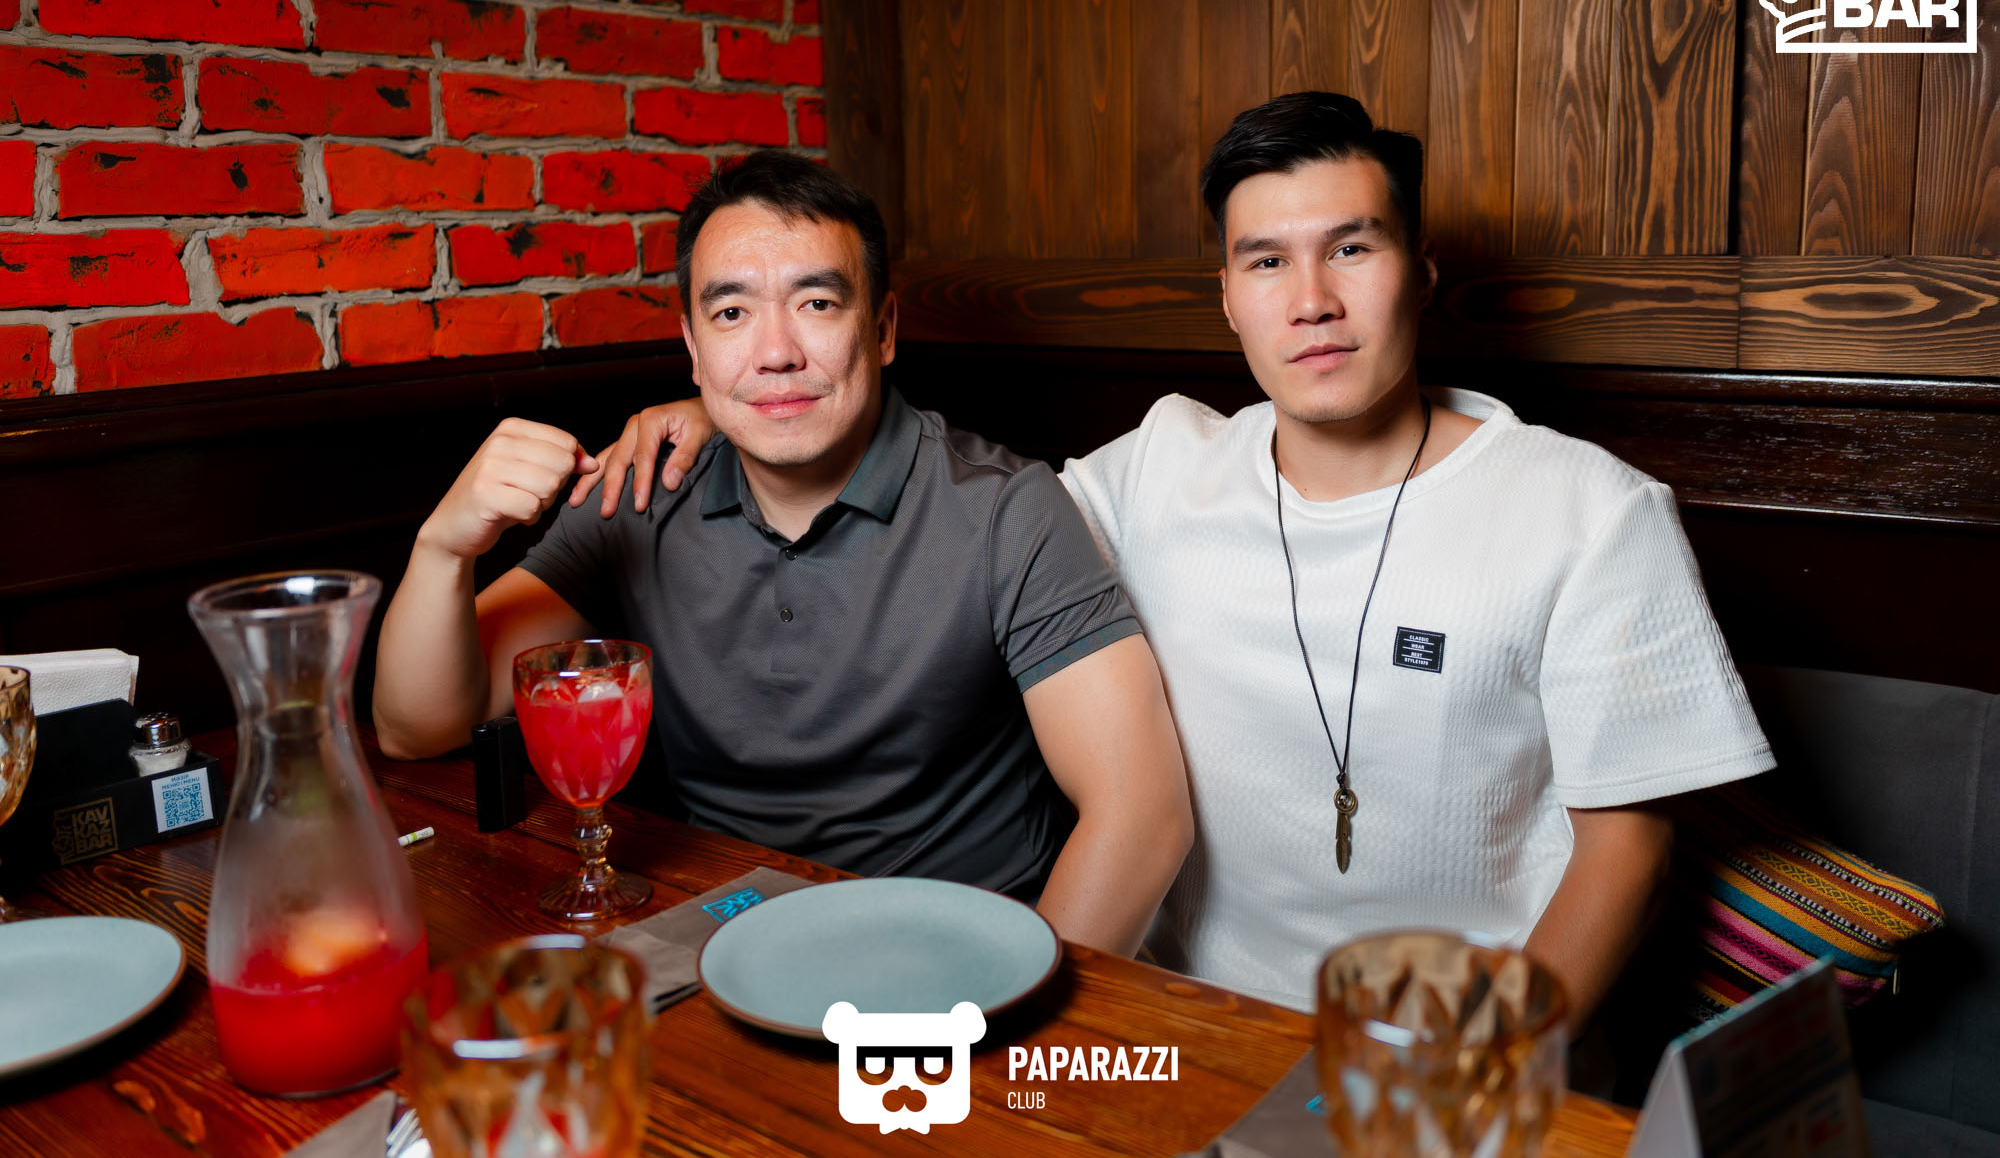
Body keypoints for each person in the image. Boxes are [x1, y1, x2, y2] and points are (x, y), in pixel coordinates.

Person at [583, 95, 1775, 1023]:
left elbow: (1627, 849)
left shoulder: (1589, 511)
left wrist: (1493, 1064)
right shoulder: (1155, 468)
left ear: (1417, 272)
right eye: (1265, 261)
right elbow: (942, 503)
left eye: (1349, 249)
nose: (1310, 299)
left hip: (1453, 1052)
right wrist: (720, 420)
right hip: (1168, 1021)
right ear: (1226, 297)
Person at [373, 150, 1193, 957]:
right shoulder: (644, 491)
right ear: (693, 348)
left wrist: (996, 1018)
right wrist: (443, 545)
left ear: (882, 329)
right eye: (732, 313)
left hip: (951, 955)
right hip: (714, 941)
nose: (775, 352)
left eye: (817, 303)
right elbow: (416, 726)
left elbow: (1143, 817)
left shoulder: (1004, 510)